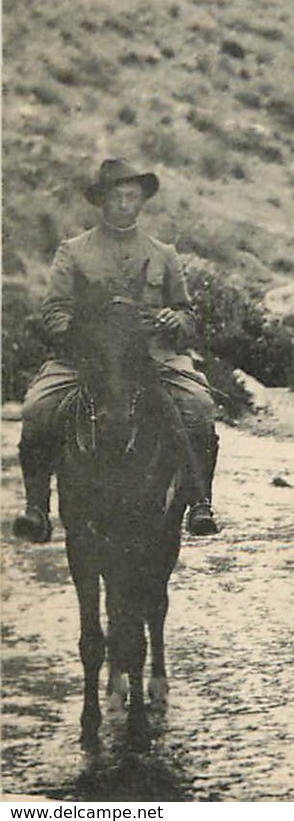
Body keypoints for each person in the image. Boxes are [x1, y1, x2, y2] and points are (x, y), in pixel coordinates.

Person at [12, 158, 220, 541]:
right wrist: (79, 335)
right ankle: (37, 509)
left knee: (200, 407)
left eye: (132, 197)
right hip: (87, 358)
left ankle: (200, 503)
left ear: (142, 202)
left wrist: (177, 320)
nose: (124, 205)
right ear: (102, 203)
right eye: (116, 197)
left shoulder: (164, 253)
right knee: (36, 408)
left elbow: (187, 313)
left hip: (155, 355)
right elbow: (54, 308)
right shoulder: (74, 251)